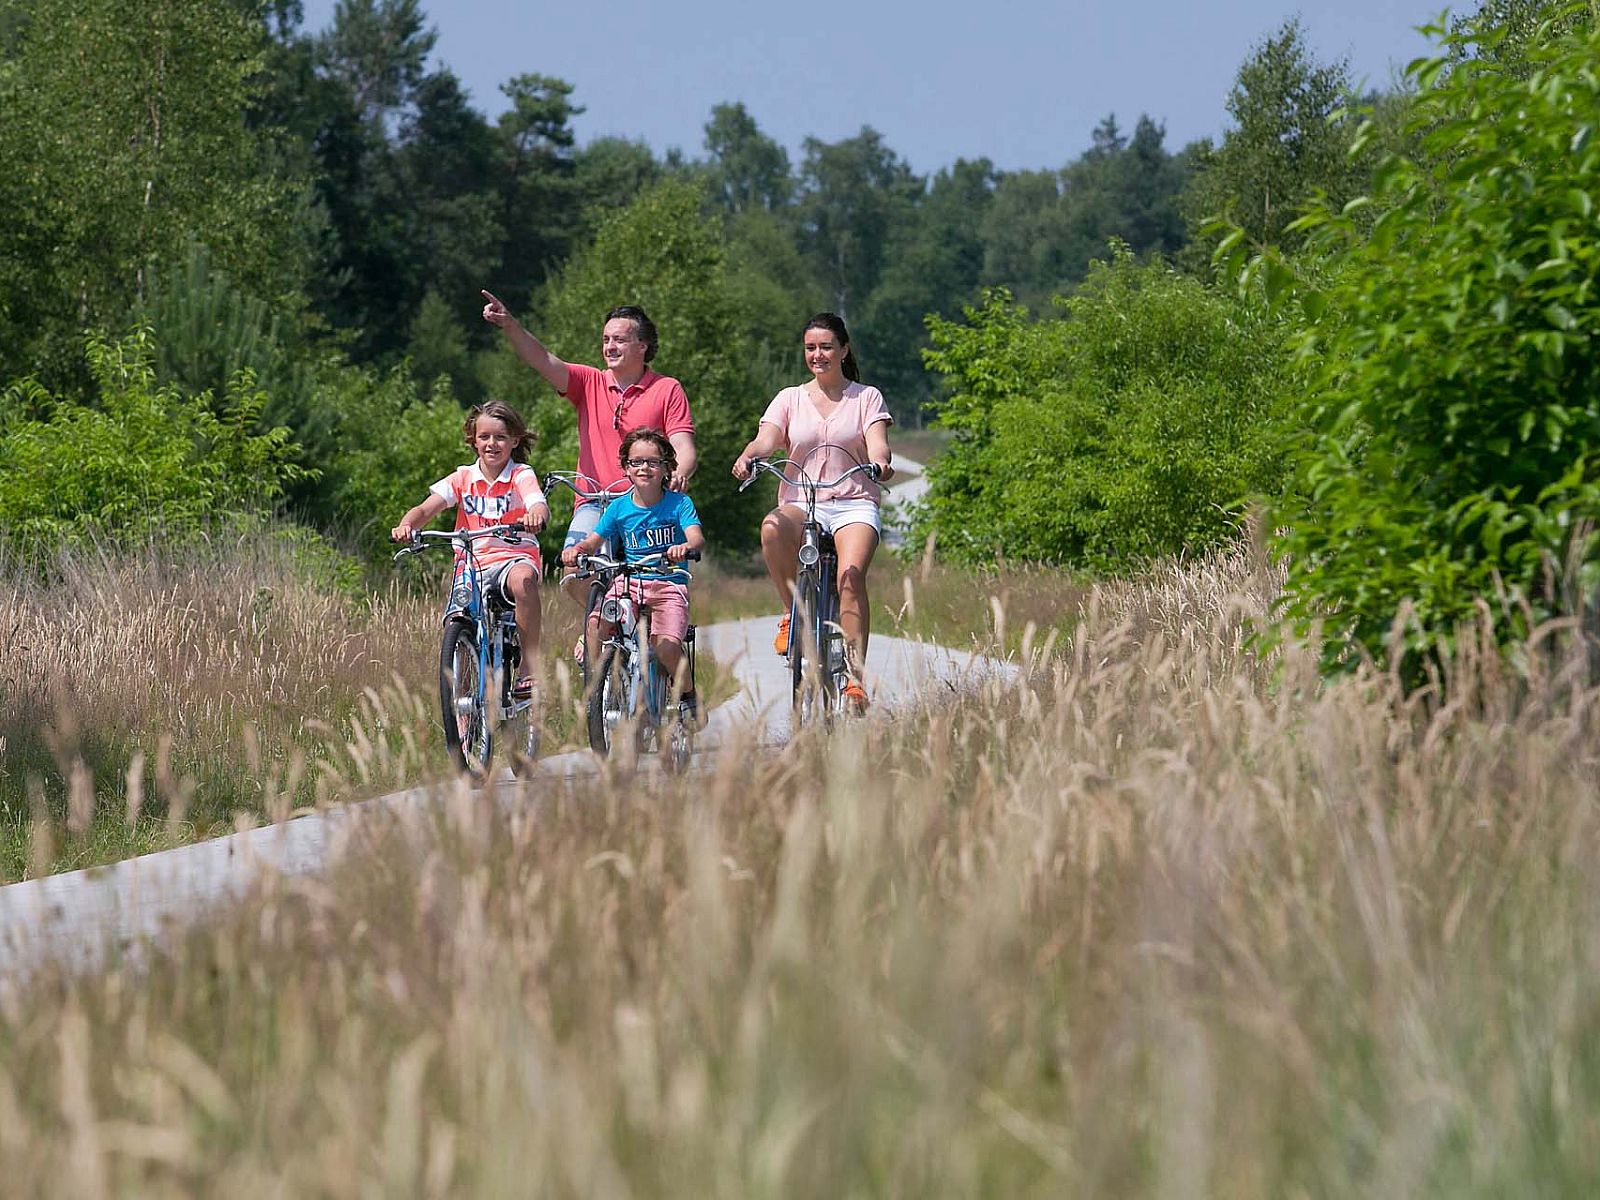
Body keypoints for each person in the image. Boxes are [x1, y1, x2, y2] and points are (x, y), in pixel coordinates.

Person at [480, 292, 697, 601]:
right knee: (574, 571)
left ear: (642, 346)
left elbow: (683, 446)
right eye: (606, 339)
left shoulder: (666, 389)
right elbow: (542, 359)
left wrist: (681, 472)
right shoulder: (589, 381)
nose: (610, 346)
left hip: (649, 503)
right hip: (595, 500)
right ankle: (601, 622)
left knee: (662, 591)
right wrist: (510, 325)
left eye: (619, 339)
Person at [732, 313, 894, 711]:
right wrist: (750, 455)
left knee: (850, 577)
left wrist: (881, 462)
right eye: (810, 348)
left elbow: (878, 443)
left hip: (853, 500)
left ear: (843, 349)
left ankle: (855, 680)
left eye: (825, 347)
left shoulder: (866, 397)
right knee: (772, 526)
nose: (817, 355)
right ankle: (793, 613)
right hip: (801, 501)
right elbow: (767, 438)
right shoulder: (790, 398)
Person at [391, 400, 551, 698]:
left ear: (514, 440)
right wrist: (407, 525)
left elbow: (537, 502)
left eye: (500, 437)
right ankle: (464, 706)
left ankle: (529, 666)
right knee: (459, 622)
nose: (492, 444)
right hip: (472, 561)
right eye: (484, 437)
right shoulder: (462, 478)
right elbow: (425, 510)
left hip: (513, 557)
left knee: (523, 581)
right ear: (473, 441)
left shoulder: (520, 474)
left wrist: (536, 516)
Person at [562, 428, 705, 710]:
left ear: (666, 468)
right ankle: (596, 689)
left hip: (668, 583)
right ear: (626, 468)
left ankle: (688, 695)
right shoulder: (618, 508)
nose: (644, 468)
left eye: (653, 462)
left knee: (666, 647)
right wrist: (577, 551)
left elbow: (696, 537)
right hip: (630, 583)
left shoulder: (679, 503)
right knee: (594, 624)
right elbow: (593, 541)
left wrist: (684, 548)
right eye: (636, 462)